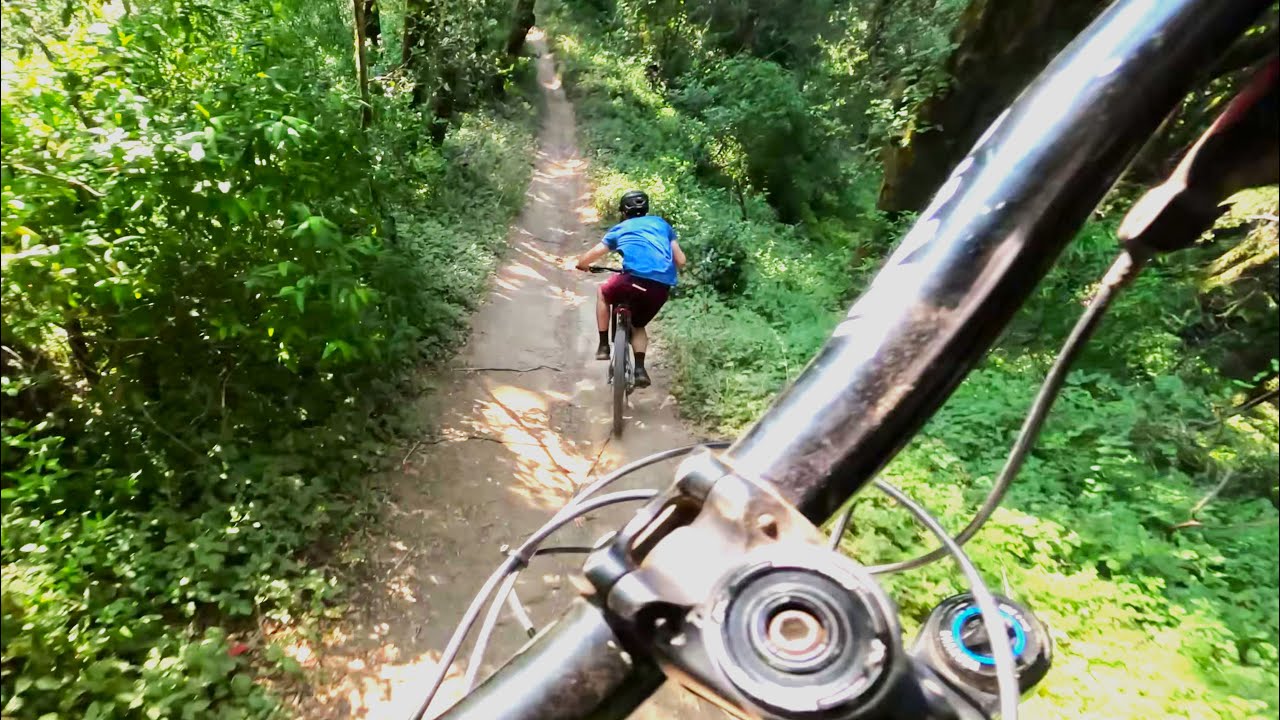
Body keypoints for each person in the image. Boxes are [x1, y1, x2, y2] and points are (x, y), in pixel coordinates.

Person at [574, 190, 685, 389]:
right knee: (639, 325)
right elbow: (681, 260)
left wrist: (582, 265)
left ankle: (603, 346)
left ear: (624, 212)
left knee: (603, 292)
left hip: (631, 280)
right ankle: (640, 369)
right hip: (659, 289)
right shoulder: (662, 225)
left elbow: (589, 257)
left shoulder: (620, 229)